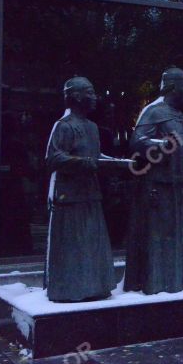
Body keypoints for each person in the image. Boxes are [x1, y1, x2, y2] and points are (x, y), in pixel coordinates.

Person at [125, 67, 183, 294]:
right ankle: (158, 284)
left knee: (178, 238)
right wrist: (160, 146)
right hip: (160, 187)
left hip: (179, 188)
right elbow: (137, 142)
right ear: (173, 87)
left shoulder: (179, 114)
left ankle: (179, 282)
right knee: (160, 238)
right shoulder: (154, 111)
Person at [45, 77, 116, 302]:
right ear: (75, 96)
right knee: (72, 247)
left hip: (90, 193)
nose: (95, 98)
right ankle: (70, 290)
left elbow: (95, 157)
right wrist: (83, 163)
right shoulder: (64, 125)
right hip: (69, 196)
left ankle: (95, 287)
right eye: (90, 92)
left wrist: (116, 163)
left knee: (92, 244)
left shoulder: (92, 127)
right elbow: (53, 157)